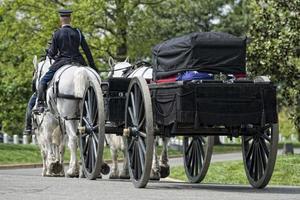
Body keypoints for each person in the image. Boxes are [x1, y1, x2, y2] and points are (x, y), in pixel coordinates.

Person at [36, 9, 97, 113]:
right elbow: (87, 51)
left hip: (62, 61)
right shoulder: (77, 32)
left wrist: (50, 53)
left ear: (60, 19)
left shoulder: (57, 33)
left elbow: (52, 53)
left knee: (43, 80)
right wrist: (93, 66)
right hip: (79, 61)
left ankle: (41, 103)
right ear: (70, 18)